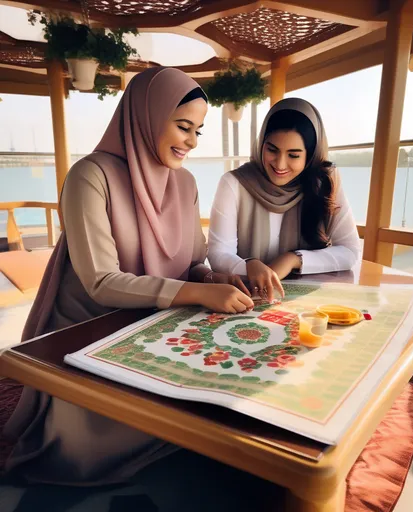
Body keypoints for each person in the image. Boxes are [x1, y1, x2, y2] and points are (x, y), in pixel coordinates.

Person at [3, 67, 253, 485]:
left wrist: (214, 282)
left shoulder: (186, 182)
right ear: (148, 116)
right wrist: (196, 292)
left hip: (156, 320)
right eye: (182, 126)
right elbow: (100, 281)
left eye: (198, 131)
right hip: (88, 328)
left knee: (227, 382)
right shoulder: (90, 176)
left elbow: (193, 262)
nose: (191, 141)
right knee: (87, 445)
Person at [208, 98, 360, 301]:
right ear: (261, 144)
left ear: (311, 155)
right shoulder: (233, 183)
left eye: (294, 155)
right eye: (272, 150)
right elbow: (218, 254)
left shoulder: (323, 182)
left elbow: (349, 251)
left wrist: (293, 259)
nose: (280, 164)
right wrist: (250, 265)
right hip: (245, 299)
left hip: (306, 303)